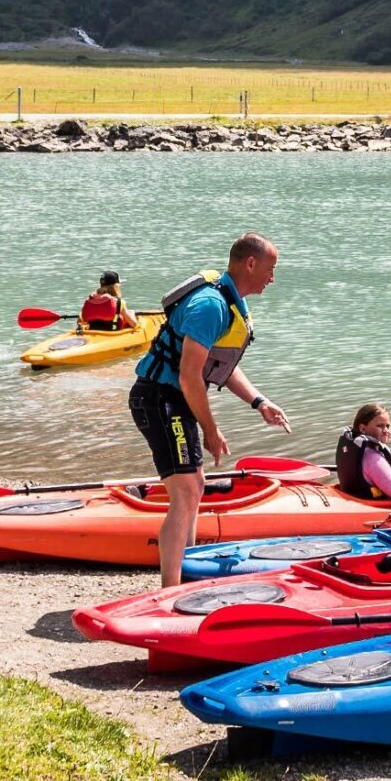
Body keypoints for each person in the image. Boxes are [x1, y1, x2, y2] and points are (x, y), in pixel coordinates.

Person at [131, 233, 291, 586]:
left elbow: (221, 366)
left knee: (194, 487)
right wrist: (211, 429)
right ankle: (170, 590)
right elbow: (190, 376)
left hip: (174, 399)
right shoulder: (211, 306)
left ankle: (181, 575)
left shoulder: (227, 302)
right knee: (186, 492)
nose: (272, 277)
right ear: (250, 263)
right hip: (160, 398)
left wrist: (259, 402)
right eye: (270, 268)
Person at [335, 403, 391, 501]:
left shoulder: (357, 450)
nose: (386, 430)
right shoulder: (372, 458)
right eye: (380, 426)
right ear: (362, 428)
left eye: (388, 426)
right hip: (378, 508)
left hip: (356, 498)